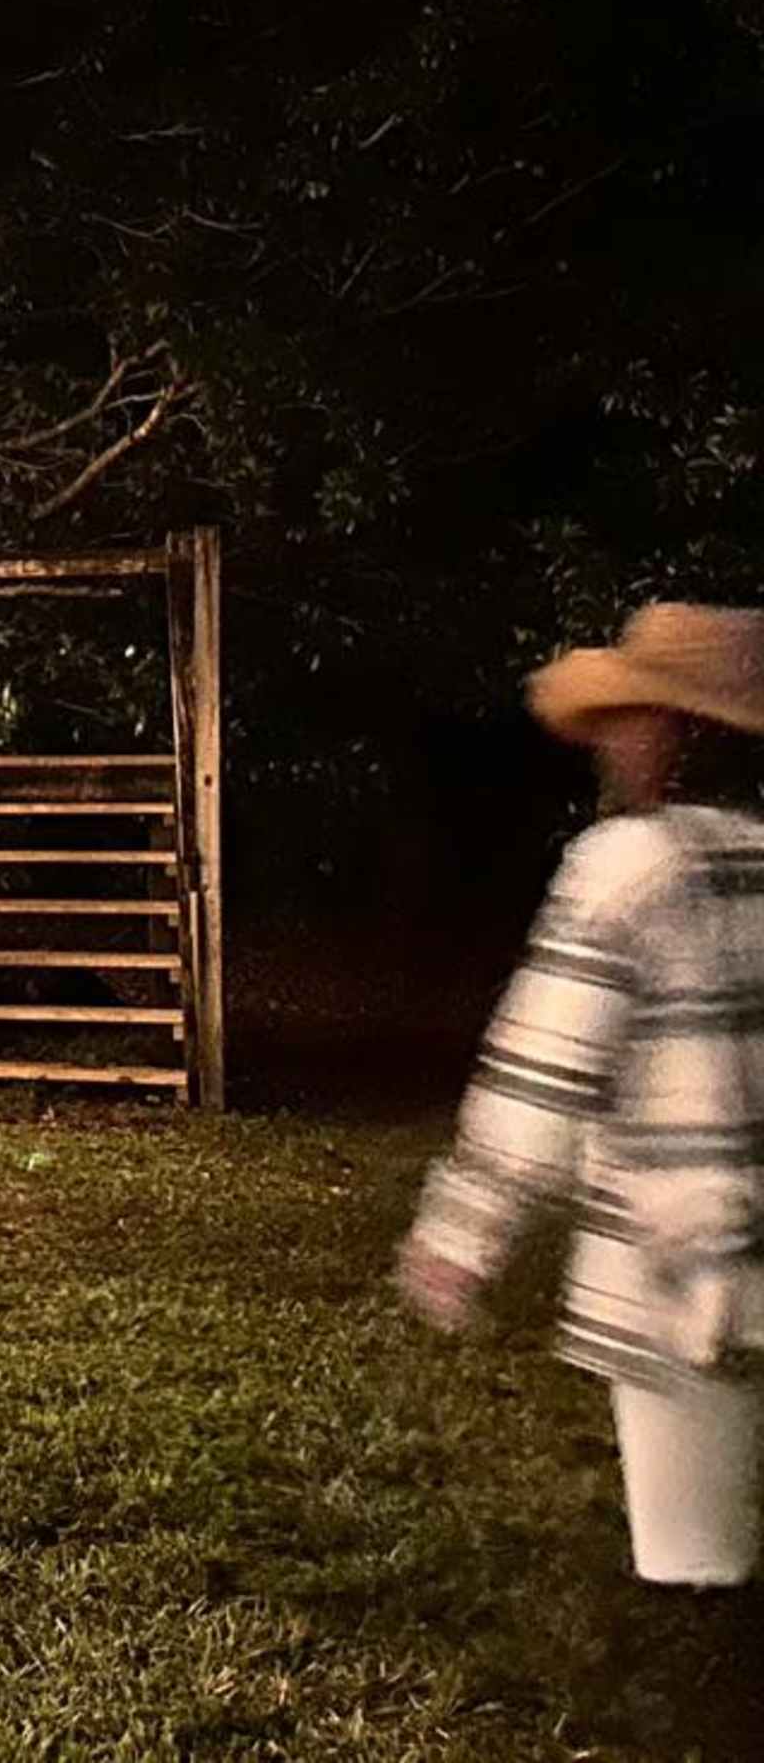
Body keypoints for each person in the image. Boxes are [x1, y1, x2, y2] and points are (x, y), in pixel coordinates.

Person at [402, 604, 764, 1599]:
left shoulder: (627, 868)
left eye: (631, 718)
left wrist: (465, 1230)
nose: (610, 741)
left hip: (686, 1274)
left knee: (697, 1565)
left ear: (681, 733)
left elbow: (546, 1062)